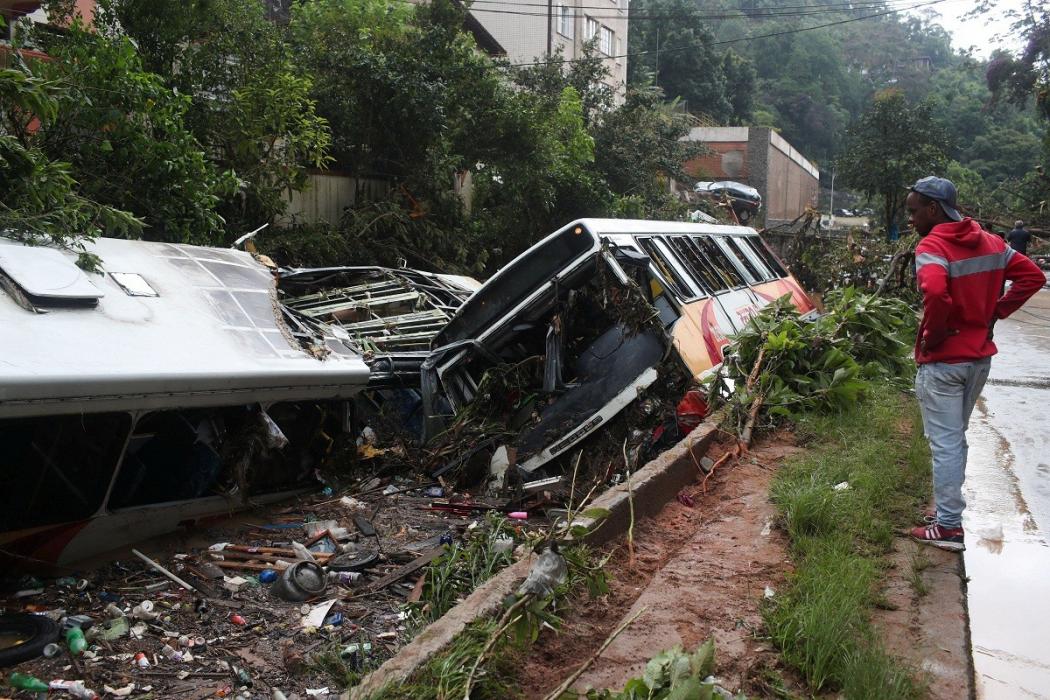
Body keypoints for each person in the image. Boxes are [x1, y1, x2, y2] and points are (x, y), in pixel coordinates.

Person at [906, 176, 1044, 551]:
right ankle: (947, 514)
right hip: (978, 360)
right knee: (955, 438)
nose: (911, 219)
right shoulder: (992, 242)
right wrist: (995, 312)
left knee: (946, 442)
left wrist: (933, 336)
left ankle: (949, 526)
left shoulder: (932, 246)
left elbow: (935, 292)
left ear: (934, 209)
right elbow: (1031, 276)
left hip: (945, 362)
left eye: (914, 210)